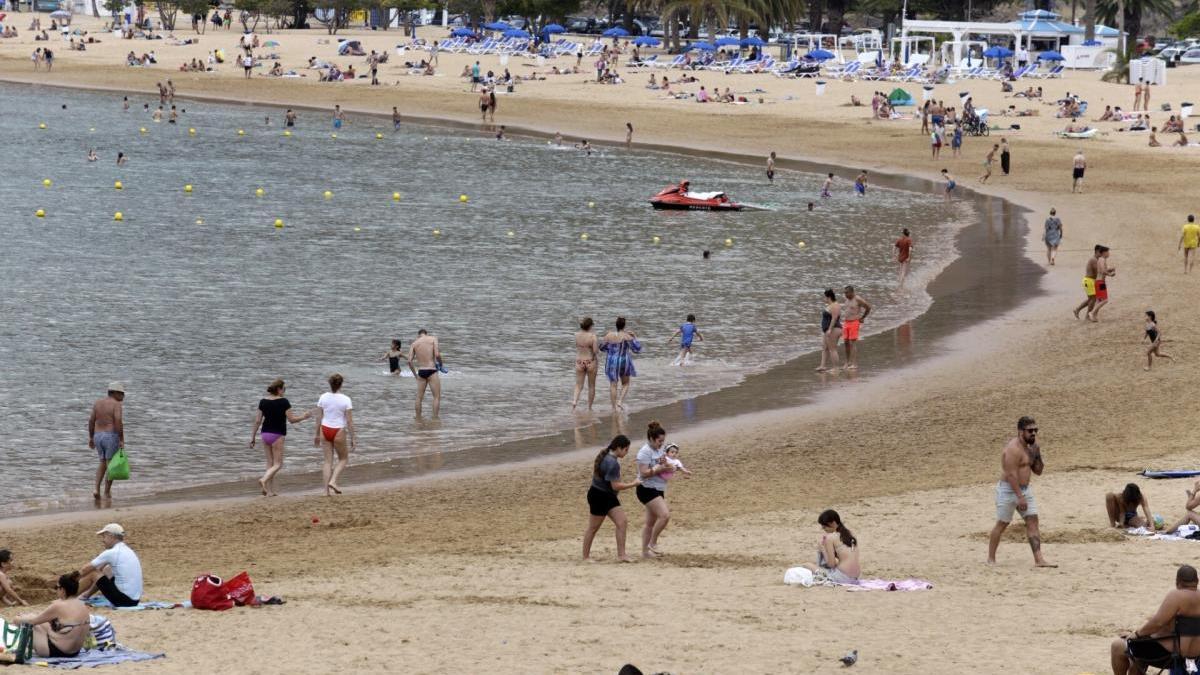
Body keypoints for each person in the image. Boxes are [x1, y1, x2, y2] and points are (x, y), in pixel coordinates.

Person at [987, 416, 1055, 567]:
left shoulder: (1033, 446)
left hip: (1025, 489)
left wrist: (1036, 453)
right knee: (1002, 524)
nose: (1034, 433)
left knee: (1032, 521)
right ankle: (991, 558)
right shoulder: (1013, 449)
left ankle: (1039, 560)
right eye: (1030, 430)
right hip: (1009, 490)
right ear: (1020, 432)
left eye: (1035, 430)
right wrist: (1020, 497)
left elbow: (1038, 471)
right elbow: (1011, 475)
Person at [1109, 565, 1200, 675]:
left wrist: (1136, 634)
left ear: (1177, 582)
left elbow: (1158, 622)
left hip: (1171, 655)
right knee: (1140, 651)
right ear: (1197, 581)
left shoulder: (1177, 596)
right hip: (1196, 657)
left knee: (1117, 646)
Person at [249, 378, 313, 497]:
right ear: (279, 389)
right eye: (284, 389)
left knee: (270, 464)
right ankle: (263, 480)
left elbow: (257, 421)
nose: (284, 391)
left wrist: (252, 437)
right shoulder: (284, 402)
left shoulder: (263, 401)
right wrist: (304, 417)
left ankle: (270, 491)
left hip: (265, 434)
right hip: (277, 434)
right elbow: (292, 420)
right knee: (278, 464)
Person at [582, 435, 640, 562]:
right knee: (593, 528)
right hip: (599, 496)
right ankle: (586, 557)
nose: (626, 453)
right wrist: (634, 483)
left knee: (622, 522)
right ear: (618, 448)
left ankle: (622, 555)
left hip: (607, 496)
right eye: (626, 450)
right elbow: (616, 486)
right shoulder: (612, 462)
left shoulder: (607, 454)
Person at [14, 573, 89, 658]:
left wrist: (17, 619)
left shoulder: (58, 606)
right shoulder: (82, 605)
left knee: (29, 622)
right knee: (41, 621)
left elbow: (32, 622)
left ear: (63, 590)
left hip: (57, 651)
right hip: (74, 652)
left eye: (57, 588)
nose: (56, 590)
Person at [77, 523, 142, 607]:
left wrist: (71, 579)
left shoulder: (112, 552)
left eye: (104, 536)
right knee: (107, 569)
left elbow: (85, 569)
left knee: (93, 574)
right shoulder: (126, 549)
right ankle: (86, 595)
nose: (102, 540)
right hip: (134, 600)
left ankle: (67, 597)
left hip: (124, 601)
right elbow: (100, 567)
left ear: (110, 536)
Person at [314, 374, 354, 496]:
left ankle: (325, 491)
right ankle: (333, 481)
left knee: (327, 461)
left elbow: (319, 417)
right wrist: (353, 438)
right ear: (341, 384)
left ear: (330, 384)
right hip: (338, 431)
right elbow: (349, 421)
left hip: (324, 429)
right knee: (343, 458)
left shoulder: (323, 397)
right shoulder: (346, 399)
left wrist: (316, 434)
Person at [636, 421, 672, 558]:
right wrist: (658, 469)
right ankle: (652, 543)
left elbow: (663, 463)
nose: (661, 443)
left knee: (650, 523)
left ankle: (645, 552)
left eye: (663, 441)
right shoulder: (644, 452)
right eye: (659, 441)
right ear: (651, 438)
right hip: (646, 488)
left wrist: (669, 466)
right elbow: (643, 473)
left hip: (658, 487)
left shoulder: (659, 449)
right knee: (665, 515)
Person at [801, 510, 861, 584]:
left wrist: (823, 549)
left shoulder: (830, 538)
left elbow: (831, 564)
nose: (824, 529)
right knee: (836, 563)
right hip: (855, 577)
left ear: (832, 523)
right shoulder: (851, 534)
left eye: (824, 527)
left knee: (807, 565)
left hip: (842, 577)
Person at [88, 383, 125, 500]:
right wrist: (121, 439)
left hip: (98, 436)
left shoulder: (97, 403)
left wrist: (91, 437)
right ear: (114, 393)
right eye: (122, 393)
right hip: (111, 436)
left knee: (102, 463)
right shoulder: (116, 404)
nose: (123, 396)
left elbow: (91, 421)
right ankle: (107, 493)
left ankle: (96, 489)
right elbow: (118, 421)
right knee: (111, 466)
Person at [600, 317, 641, 412]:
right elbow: (637, 349)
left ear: (616, 325)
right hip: (624, 361)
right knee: (626, 383)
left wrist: (611, 349)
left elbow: (601, 348)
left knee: (613, 385)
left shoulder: (608, 335)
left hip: (611, 362)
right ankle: (620, 401)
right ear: (624, 325)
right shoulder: (627, 336)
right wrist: (635, 337)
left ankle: (614, 408)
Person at [406, 329, 442, 418]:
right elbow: (437, 355)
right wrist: (441, 364)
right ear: (426, 334)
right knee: (436, 397)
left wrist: (415, 375)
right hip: (432, 370)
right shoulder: (433, 339)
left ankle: (418, 418)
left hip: (421, 371)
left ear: (418, 335)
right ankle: (435, 418)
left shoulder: (414, 343)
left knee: (419, 398)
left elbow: (409, 361)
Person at [840, 286, 872, 370]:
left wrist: (862, 318)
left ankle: (854, 363)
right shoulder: (846, 300)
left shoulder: (858, 299)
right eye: (844, 293)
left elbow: (868, 307)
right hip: (846, 322)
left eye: (846, 293)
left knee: (852, 343)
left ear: (852, 292)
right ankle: (847, 362)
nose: (845, 294)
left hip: (854, 322)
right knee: (846, 342)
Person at [572, 317, 600, 411]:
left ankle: (575, 401)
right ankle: (589, 407)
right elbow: (595, 351)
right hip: (590, 361)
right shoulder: (593, 336)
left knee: (578, 385)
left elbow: (577, 346)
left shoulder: (576, 335)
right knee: (591, 386)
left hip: (579, 361)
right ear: (590, 326)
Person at [817, 289, 842, 372]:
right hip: (827, 330)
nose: (824, 299)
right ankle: (822, 366)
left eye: (825, 297)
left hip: (834, 329)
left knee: (832, 349)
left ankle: (836, 368)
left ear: (829, 297)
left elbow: (834, 318)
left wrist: (830, 329)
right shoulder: (830, 305)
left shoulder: (835, 305)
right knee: (824, 348)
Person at [1092, 245, 1116, 321]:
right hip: (1100, 282)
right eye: (1108, 252)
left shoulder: (1101, 259)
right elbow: (1102, 271)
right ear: (1104, 252)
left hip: (1100, 282)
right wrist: (1110, 274)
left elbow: (1102, 270)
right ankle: (1092, 312)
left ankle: (1094, 316)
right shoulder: (1102, 259)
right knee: (1105, 300)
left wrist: (1110, 269)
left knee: (1099, 300)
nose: (1109, 253)